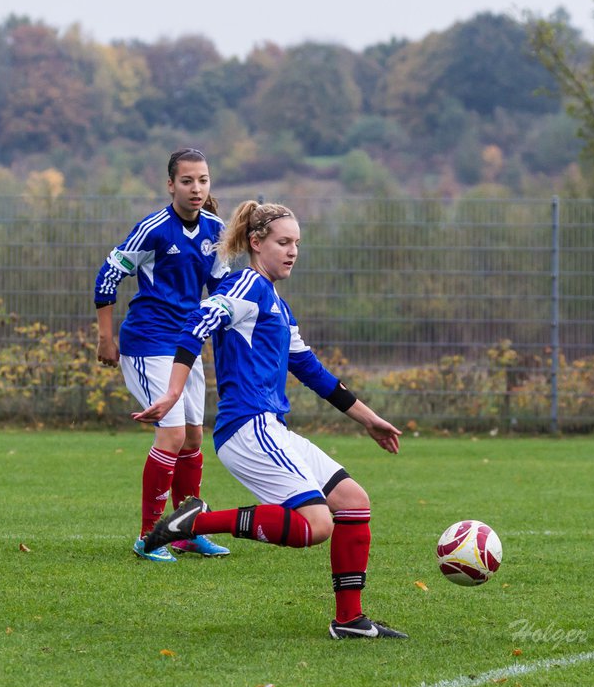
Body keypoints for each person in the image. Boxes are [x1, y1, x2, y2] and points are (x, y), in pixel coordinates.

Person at [134, 200, 407, 639]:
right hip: (248, 427)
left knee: (354, 502)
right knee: (318, 525)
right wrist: (172, 392)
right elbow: (197, 322)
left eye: (297, 243)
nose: (293, 250)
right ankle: (194, 522)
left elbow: (313, 371)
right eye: (283, 242)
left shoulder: (278, 305)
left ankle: (350, 621)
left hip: (272, 427)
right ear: (257, 243)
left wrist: (368, 419)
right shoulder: (247, 285)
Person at [94, 148, 232, 562]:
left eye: (203, 180)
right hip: (148, 342)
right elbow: (108, 274)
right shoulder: (153, 229)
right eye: (187, 181)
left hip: (186, 346)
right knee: (170, 435)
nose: (196, 188)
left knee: (192, 437)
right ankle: (148, 537)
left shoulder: (215, 229)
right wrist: (105, 338)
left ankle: (187, 529)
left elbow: (221, 291)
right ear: (170, 184)